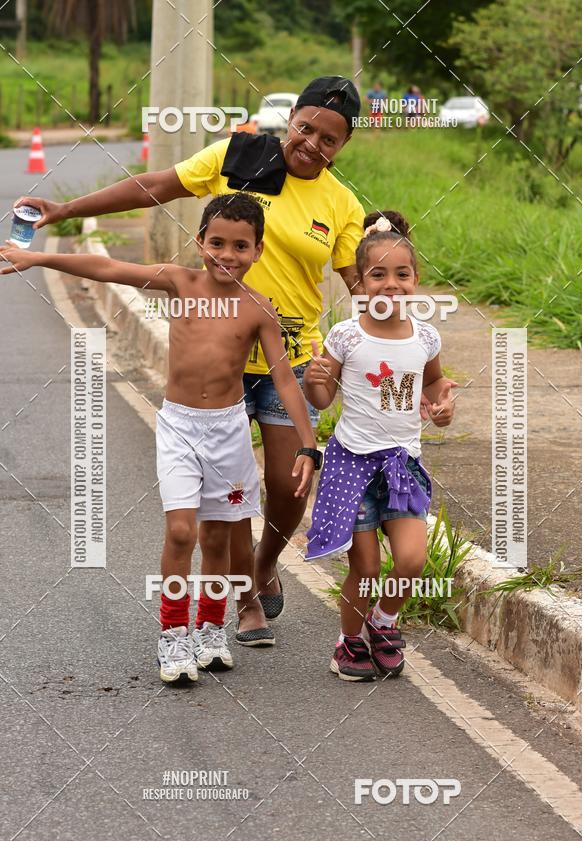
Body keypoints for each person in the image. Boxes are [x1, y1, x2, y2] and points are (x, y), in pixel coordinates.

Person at [12, 75, 365, 636]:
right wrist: (66, 210)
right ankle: (244, 600)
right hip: (217, 363)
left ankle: (265, 565)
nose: (313, 144)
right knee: (226, 500)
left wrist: (391, 331)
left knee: (286, 484)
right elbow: (156, 184)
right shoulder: (239, 154)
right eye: (306, 128)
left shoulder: (342, 204)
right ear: (290, 117)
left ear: (342, 146)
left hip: (289, 358)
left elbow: (359, 282)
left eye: (330, 139)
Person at [0, 193, 319, 684]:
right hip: (180, 428)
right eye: (217, 242)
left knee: (216, 537)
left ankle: (210, 629)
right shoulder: (180, 282)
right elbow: (108, 268)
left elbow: (282, 379)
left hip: (229, 434)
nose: (226, 255)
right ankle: (173, 636)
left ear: (257, 252)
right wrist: (38, 257)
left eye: (240, 246)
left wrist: (306, 443)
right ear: (199, 242)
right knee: (180, 532)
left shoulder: (259, 309)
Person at [303, 210, 455, 682]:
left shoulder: (425, 337)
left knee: (411, 559)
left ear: (416, 279)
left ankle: (384, 622)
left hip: (402, 465)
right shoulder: (347, 335)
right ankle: (348, 644)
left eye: (402, 274)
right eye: (378, 275)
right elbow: (323, 397)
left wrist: (443, 406)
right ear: (361, 282)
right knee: (366, 567)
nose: (391, 285)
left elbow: (433, 386)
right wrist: (315, 381)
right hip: (352, 465)